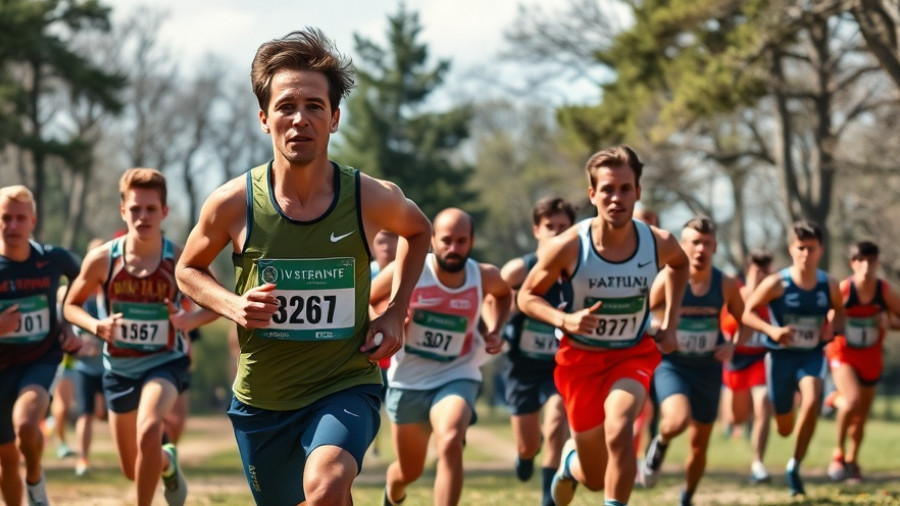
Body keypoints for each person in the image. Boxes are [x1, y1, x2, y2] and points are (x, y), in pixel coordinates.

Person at [174, 28, 432, 506]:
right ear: (264, 118)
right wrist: (233, 305)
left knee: (328, 484)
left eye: (314, 106)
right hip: (263, 399)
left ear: (334, 119)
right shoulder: (232, 204)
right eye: (286, 106)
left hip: (345, 382)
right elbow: (188, 270)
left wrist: (396, 311)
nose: (300, 119)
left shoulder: (369, 197)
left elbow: (419, 232)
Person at [518, 146, 689, 506]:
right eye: (608, 189)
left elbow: (680, 264)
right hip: (579, 362)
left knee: (621, 425)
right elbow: (527, 297)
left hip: (631, 354)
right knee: (594, 477)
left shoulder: (657, 242)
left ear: (638, 192)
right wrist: (565, 319)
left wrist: (670, 323)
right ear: (592, 194)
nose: (617, 198)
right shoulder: (567, 247)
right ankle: (569, 463)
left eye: (626, 188)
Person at [63, 168, 219, 506]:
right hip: (119, 369)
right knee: (134, 467)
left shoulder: (181, 259)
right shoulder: (103, 259)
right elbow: (70, 306)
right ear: (123, 211)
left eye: (151, 209)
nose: (143, 217)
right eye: (135, 209)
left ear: (164, 212)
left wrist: (189, 321)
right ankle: (167, 462)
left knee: (149, 428)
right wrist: (97, 326)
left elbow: (222, 303)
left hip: (166, 363)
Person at [374, 207, 511, 506]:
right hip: (408, 381)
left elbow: (503, 294)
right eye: (446, 240)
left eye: (461, 241)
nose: (453, 248)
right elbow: (368, 300)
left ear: (471, 242)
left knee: (450, 440)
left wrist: (495, 329)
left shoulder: (483, 274)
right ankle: (394, 490)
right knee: (409, 471)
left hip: (457, 373)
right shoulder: (409, 267)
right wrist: (389, 320)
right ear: (432, 240)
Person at [638, 217, 747, 505]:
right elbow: (639, 313)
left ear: (715, 247)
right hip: (673, 364)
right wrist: (655, 328)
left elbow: (743, 319)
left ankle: (686, 496)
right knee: (676, 420)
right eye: (694, 242)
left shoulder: (724, 283)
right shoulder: (667, 278)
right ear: (682, 245)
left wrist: (733, 345)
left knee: (699, 447)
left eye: (706, 243)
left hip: (708, 369)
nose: (700, 249)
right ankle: (659, 444)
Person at [742, 220, 845, 497]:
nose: (805, 254)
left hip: (811, 355)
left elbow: (839, 313)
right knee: (784, 427)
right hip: (780, 359)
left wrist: (832, 326)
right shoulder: (778, 283)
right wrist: (772, 330)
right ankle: (787, 445)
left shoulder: (829, 284)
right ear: (791, 249)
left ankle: (794, 465)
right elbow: (747, 312)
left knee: (812, 399)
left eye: (811, 248)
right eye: (800, 248)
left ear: (820, 250)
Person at [0, 184, 81, 506]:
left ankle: (34, 477)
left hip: (40, 359)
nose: (13, 226)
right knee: (6, 458)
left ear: (33, 220)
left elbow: (84, 279)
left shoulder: (53, 260)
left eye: (21, 218)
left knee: (25, 422)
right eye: (6, 218)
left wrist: (67, 321)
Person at [499, 197, 575, 506]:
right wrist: (505, 317)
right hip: (522, 365)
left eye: (563, 227)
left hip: (560, 365)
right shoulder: (520, 268)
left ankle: (548, 498)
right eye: (549, 226)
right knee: (529, 444)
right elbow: (492, 300)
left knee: (557, 419)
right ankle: (526, 454)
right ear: (536, 230)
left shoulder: (578, 270)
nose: (556, 233)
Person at [824, 241, 900, 483]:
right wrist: (837, 322)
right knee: (852, 401)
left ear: (877, 263)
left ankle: (853, 462)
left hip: (871, 357)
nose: (866, 266)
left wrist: (890, 324)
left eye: (871, 260)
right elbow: (826, 324)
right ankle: (837, 454)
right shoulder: (844, 290)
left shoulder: (885, 291)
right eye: (861, 260)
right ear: (852, 263)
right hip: (843, 354)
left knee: (861, 416)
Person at [719, 248, 774, 484]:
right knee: (738, 416)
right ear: (747, 271)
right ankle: (744, 423)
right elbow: (725, 328)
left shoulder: (773, 299)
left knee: (763, 403)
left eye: (765, 270)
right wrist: (746, 321)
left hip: (760, 359)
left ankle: (758, 463)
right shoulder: (735, 296)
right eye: (756, 270)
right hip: (736, 361)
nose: (761, 275)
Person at [70, 238, 109, 477]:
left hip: (109, 366)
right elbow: (70, 324)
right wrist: (80, 344)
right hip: (84, 366)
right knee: (85, 413)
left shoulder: (114, 289)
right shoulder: (79, 292)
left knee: (107, 413)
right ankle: (82, 459)